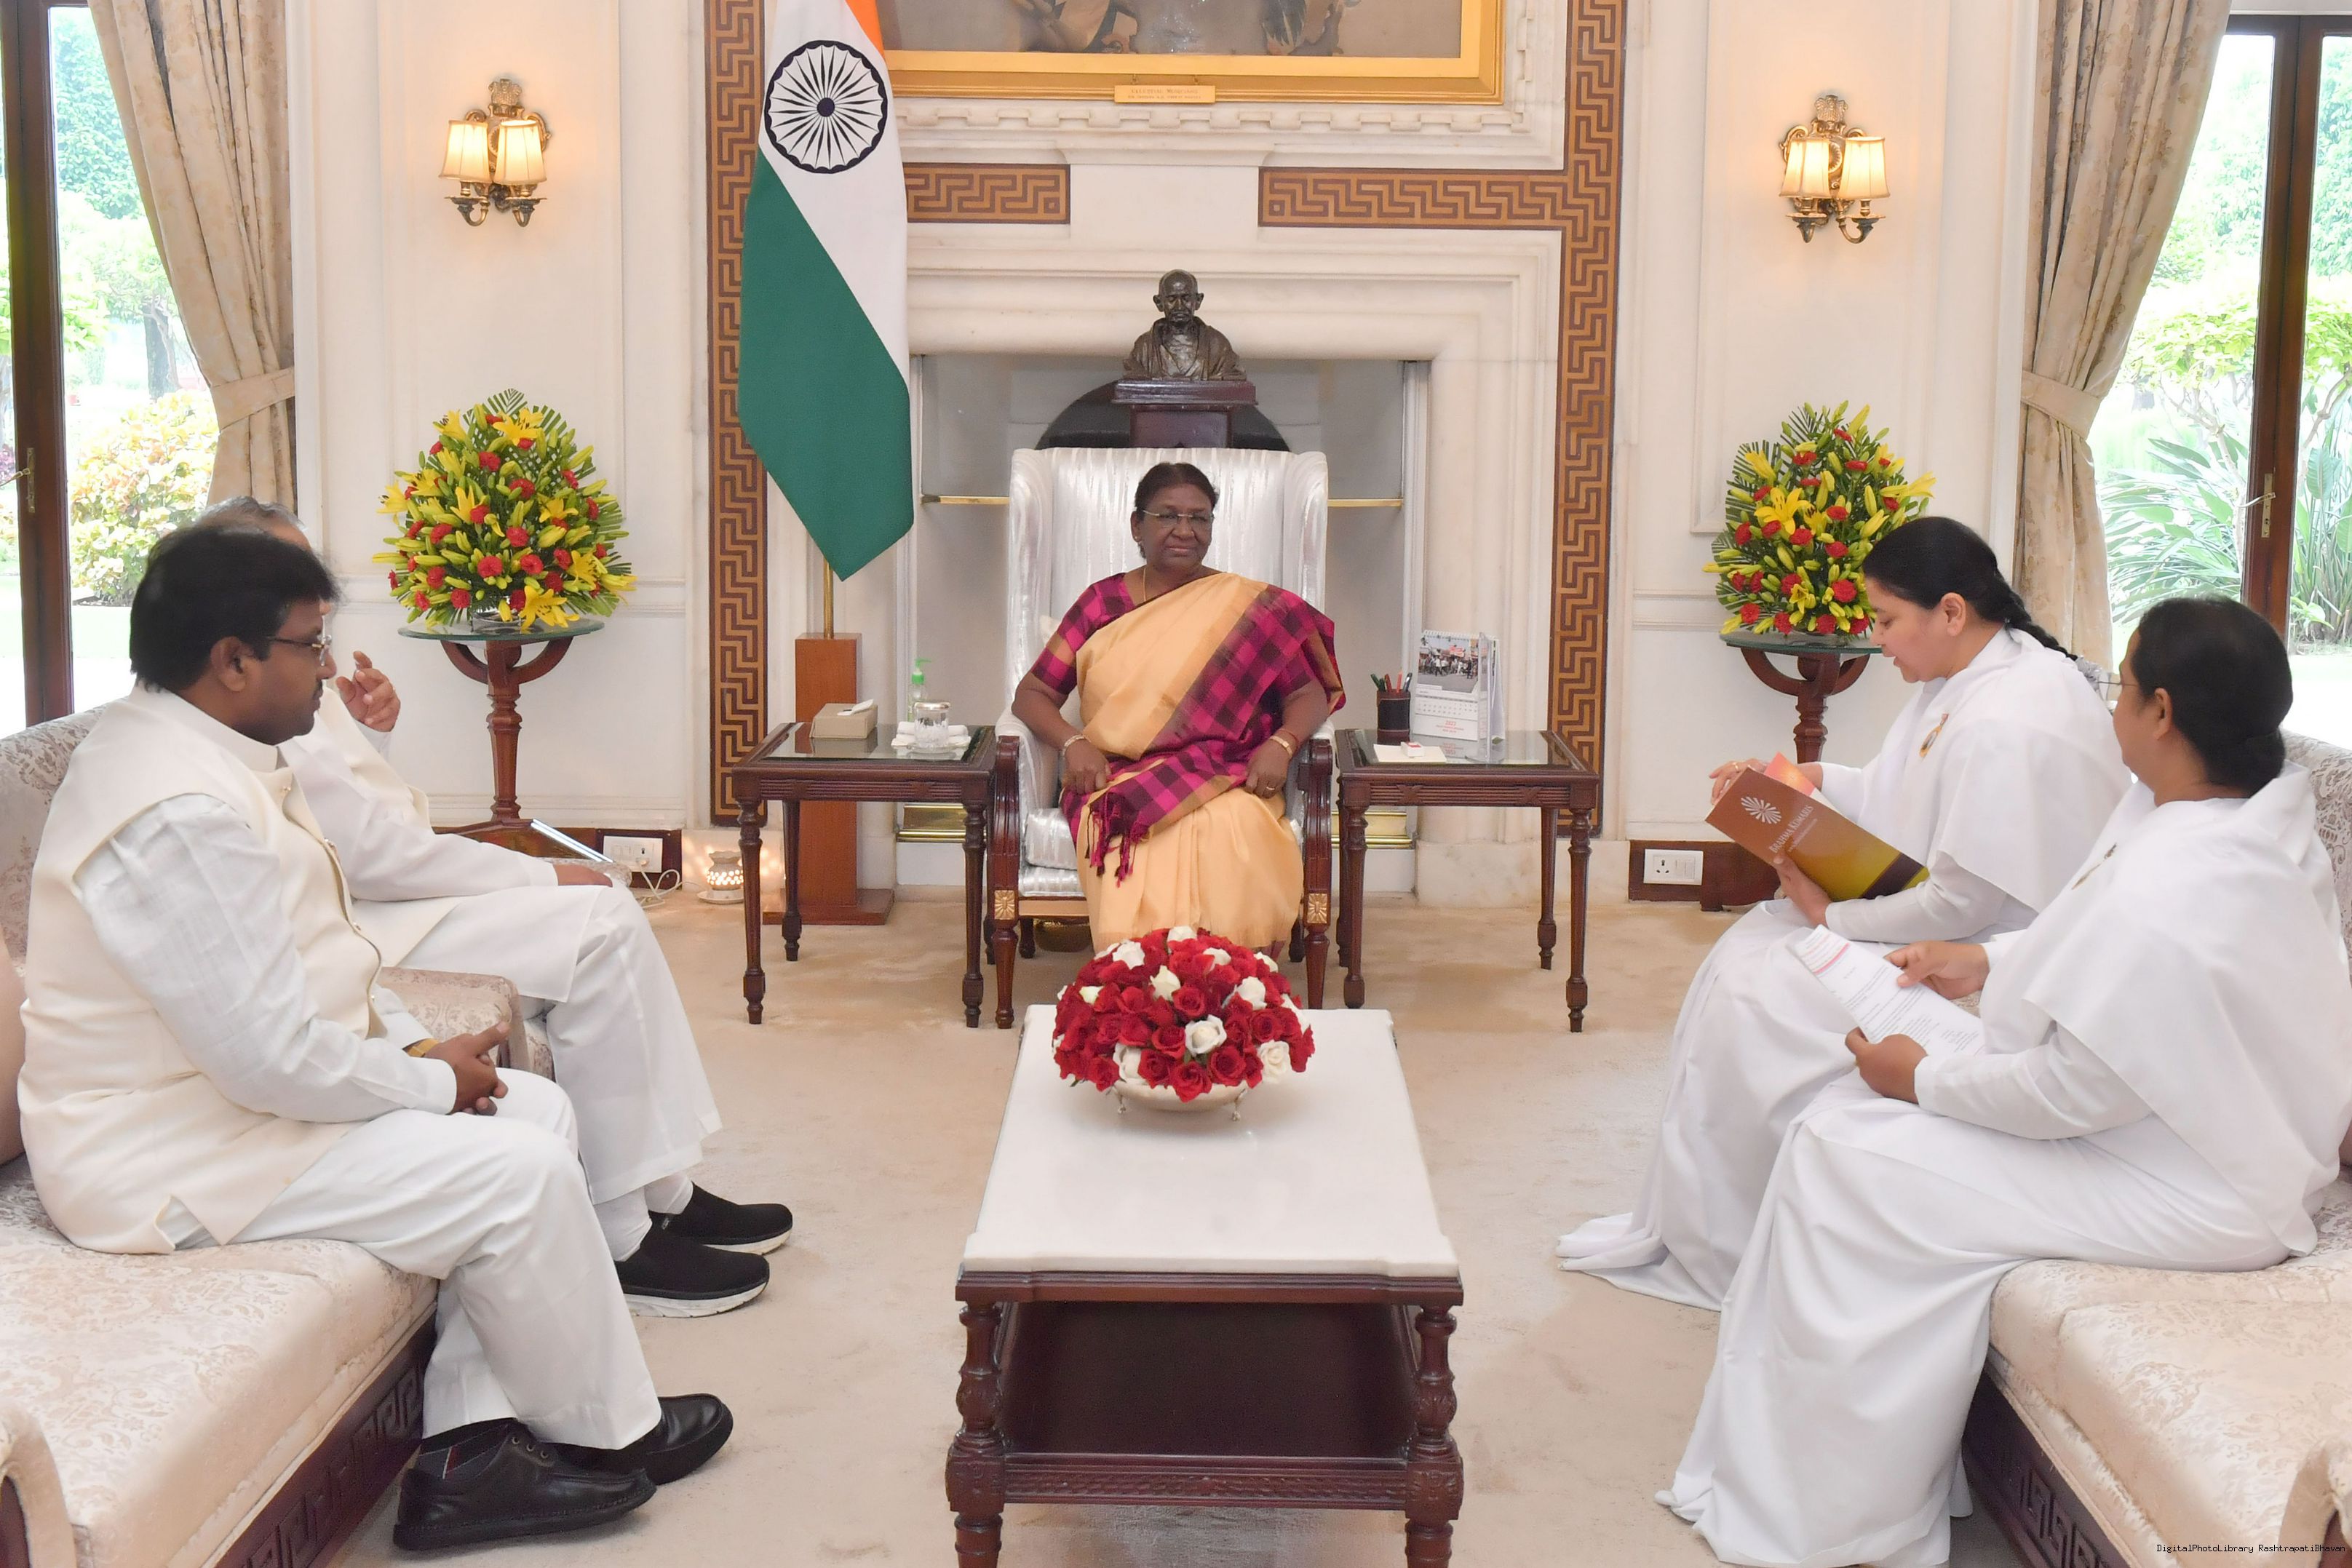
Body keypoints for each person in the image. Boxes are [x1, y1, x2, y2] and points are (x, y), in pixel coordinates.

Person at [15, 527, 737, 1548]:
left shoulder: (206, 750)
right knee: (514, 1170)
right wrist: (430, 1084)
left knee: (532, 1109)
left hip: (220, 1108)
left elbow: (313, 972)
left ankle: (476, 1451)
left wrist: (423, 1060)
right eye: (309, 644)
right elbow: (264, 1058)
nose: (326, 669)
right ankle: (605, 1434)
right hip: (164, 1154)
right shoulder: (172, 809)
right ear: (232, 659)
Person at [1664, 596, 2352, 1567]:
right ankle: (1824, 1469)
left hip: (2197, 1186)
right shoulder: (2236, 813)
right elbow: (2092, 932)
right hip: (2190, 1128)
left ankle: (1829, 1514)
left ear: (2161, 712)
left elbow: (2071, 1092)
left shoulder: (2183, 883)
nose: (2109, 706)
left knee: (1842, 1155)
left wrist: (1922, 1078)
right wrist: (1986, 961)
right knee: (1842, 1117)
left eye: (2122, 686)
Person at [189, 498, 791, 1317]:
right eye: (296, 581)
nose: (320, 599)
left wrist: (373, 735)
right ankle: (625, 1232)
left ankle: (660, 1193)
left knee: (606, 915)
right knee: (598, 924)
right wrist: (539, 876)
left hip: (386, 894)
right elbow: (372, 855)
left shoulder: (295, 668)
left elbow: (353, 805)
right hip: (367, 916)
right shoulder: (256, 685)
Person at [1558, 517, 2129, 1308]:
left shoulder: (2007, 719)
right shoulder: (1972, 674)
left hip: (1990, 957)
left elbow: (1962, 901)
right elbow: (1905, 790)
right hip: (1944, 918)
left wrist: (1832, 919)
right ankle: (1698, 1225)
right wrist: (1806, 781)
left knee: (1759, 994)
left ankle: (1738, 1245)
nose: (1878, 641)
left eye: (1887, 620)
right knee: (1748, 951)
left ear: (1951, 611)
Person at [1008, 461, 1341, 950]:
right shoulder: (1101, 603)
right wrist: (1073, 742)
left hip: (1228, 771)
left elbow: (1306, 694)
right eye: (1167, 516)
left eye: (1199, 518)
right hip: (1118, 774)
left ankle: (1232, 977)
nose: (1185, 530)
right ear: (1136, 526)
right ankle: (1143, 976)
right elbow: (1032, 694)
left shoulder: (1250, 608)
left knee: (1237, 827)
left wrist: (1283, 744)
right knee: (1131, 831)